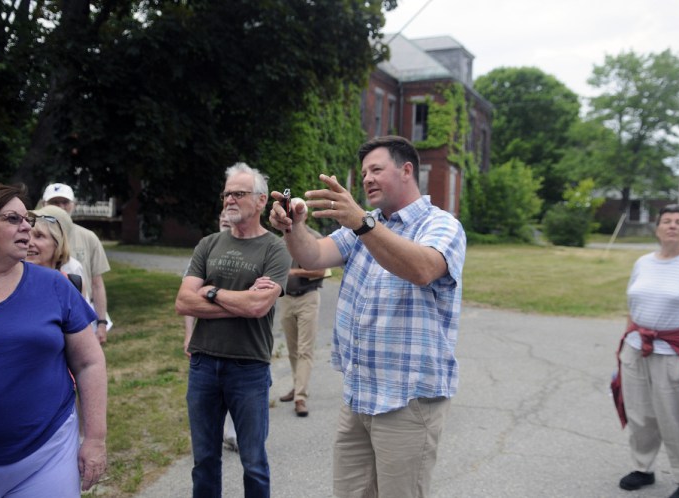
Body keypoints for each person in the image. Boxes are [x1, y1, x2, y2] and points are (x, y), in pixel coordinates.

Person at [269, 135, 466, 497]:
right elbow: (312, 255)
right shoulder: (366, 225)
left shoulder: (441, 225)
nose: (367, 179)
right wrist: (292, 227)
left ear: (407, 170)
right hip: (360, 396)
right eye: (363, 173)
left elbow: (422, 268)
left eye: (376, 169)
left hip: (409, 400)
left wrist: (362, 223)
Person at [0, 183, 107, 496]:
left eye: (27, 220)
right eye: (12, 220)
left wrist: (95, 440)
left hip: (46, 455)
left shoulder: (54, 286)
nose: (26, 229)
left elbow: (89, 362)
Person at [175, 163, 292, 498]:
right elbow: (183, 302)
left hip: (248, 368)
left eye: (238, 194)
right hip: (203, 366)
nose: (229, 200)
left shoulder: (275, 248)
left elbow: (258, 308)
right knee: (205, 460)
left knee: (253, 461)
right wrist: (240, 300)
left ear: (259, 202)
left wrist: (211, 292)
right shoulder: (209, 244)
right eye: (226, 193)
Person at [611, 204, 679, 498]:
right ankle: (643, 469)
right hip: (637, 349)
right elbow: (633, 305)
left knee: (678, 419)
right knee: (640, 415)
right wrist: (625, 343)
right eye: (667, 221)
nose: (672, 225)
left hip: (676, 353)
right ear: (657, 228)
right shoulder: (643, 262)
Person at [182, 209, 239, 452]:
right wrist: (188, 335)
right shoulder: (204, 251)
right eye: (221, 217)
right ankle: (213, 435)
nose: (225, 219)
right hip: (207, 336)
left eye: (229, 216)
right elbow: (186, 300)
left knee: (236, 388)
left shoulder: (251, 252)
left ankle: (235, 432)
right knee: (210, 389)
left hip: (240, 338)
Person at [42, 182, 111, 343]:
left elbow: (97, 284)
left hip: (80, 313)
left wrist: (101, 322)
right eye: (54, 203)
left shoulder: (88, 237)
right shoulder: (29, 238)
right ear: (43, 205)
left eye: (64, 202)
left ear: (74, 205)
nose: (60, 207)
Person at [278, 225, 328, 417]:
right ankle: (297, 384)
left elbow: (321, 271)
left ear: (303, 216)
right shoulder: (281, 240)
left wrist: (294, 273)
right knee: (292, 349)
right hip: (287, 298)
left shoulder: (315, 238)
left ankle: (300, 397)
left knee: (304, 349)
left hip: (308, 297)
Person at [26, 206, 85, 291]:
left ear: (57, 244)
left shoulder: (73, 284)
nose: (29, 242)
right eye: (26, 235)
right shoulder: (9, 284)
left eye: (39, 236)